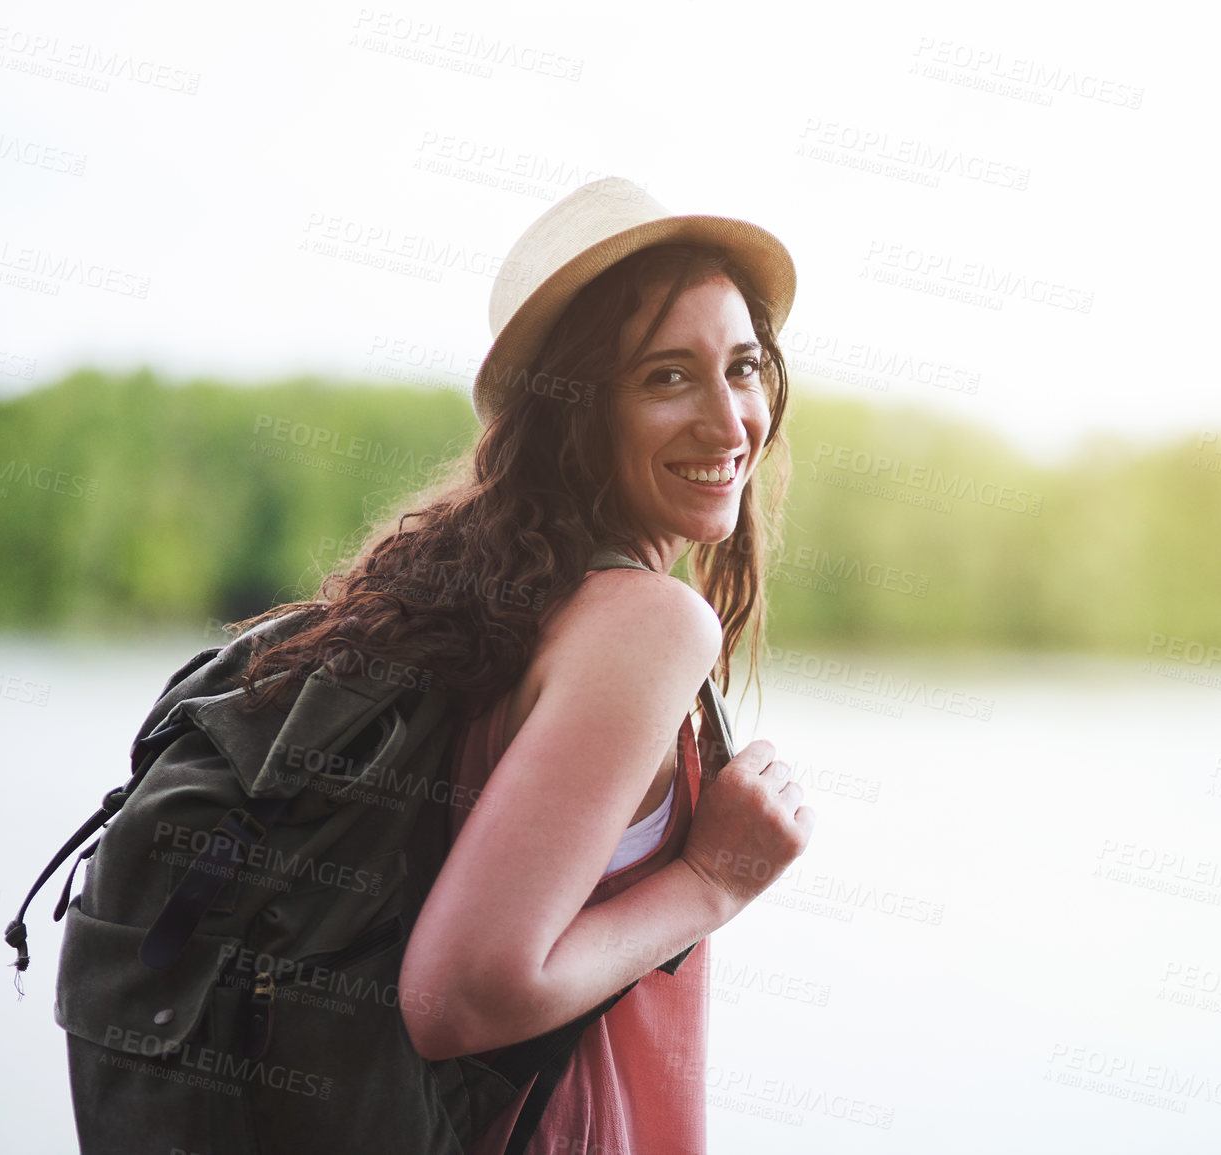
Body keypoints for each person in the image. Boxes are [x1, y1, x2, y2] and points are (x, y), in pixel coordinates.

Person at [233, 176, 816, 1154]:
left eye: (745, 367)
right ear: (575, 411)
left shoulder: (494, 600)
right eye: (666, 376)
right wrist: (714, 881)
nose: (730, 423)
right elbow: (459, 996)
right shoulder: (646, 625)